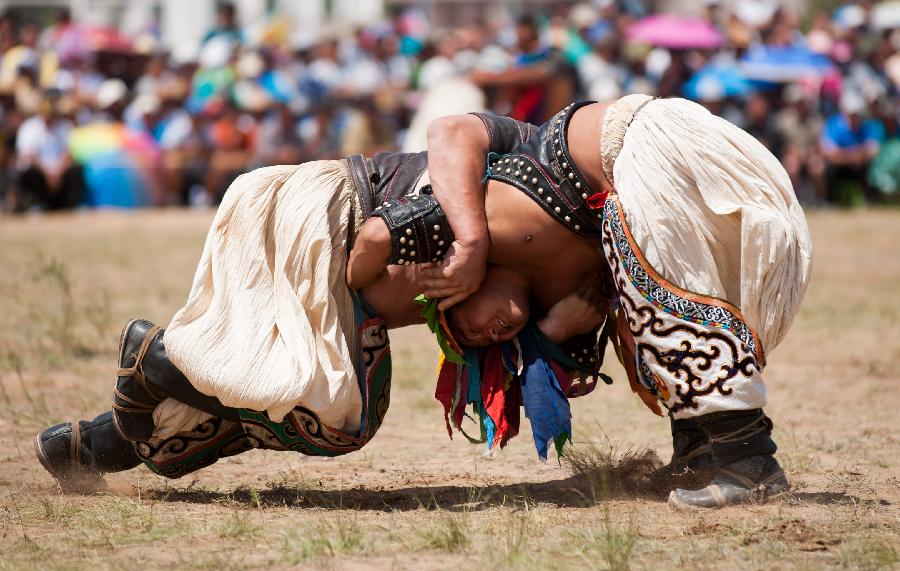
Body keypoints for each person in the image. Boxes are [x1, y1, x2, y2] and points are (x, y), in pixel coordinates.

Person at [34, 130, 610, 489]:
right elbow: (444, 142)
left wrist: (559, 323)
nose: (486, 333)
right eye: (488, 327)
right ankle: (158, 358)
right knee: (337, 416)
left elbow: (566, 373)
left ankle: (87, 446)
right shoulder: (521, 184)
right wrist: (464, 246)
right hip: (323, 210)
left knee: (252, 402)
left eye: (476, 335)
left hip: (315, 218)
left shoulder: (546, 278)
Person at [421, 95, 812, 508]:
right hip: (657, 151)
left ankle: (749, 463)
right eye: (485, 343)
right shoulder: (554, 269)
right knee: (646, 321)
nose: (486, 333)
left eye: (466, 326)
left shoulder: (493, 203)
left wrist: (470, 240)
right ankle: (701, 452)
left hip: (651, 146)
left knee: (663, 307)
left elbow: (447, 128)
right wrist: (550, 331)